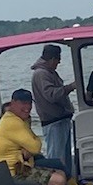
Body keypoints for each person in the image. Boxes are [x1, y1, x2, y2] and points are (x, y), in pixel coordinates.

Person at [31, 43, 75, 174]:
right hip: (54, 123)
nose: (59, 62)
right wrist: (70, 87)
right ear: (52, 59)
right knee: (56, 159)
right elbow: (51, 95)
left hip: (61, 121)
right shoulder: (41, 74)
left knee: (65, 159)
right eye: (58, 59)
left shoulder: (49, 72)